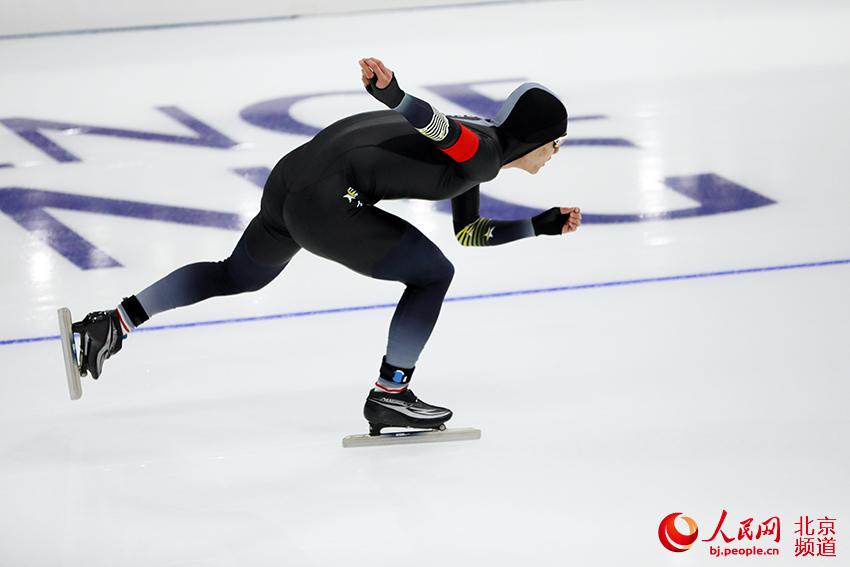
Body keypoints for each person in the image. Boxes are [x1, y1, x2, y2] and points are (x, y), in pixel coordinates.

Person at [69, 57, 581, 435]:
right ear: (538, 137)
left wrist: (538, 225)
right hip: (328, 201)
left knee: (237, 275)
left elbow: (469, 231)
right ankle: (391, 395)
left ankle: (109, 325)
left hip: (293, 178)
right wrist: (396, 95)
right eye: (558, 142)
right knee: (432, 274)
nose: (556, 154)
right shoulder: (481, 151)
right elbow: (433, 125)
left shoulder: (478, 149)